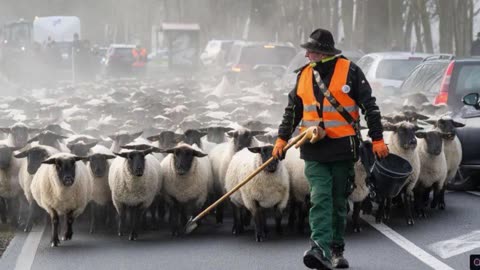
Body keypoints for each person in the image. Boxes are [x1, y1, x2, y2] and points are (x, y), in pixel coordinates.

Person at [272, 28, 389, 269]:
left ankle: (336, 250)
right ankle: (319, 248)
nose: (306, 56)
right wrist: (282, 138)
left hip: (343, 148)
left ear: (323, 52)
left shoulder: (351, 71)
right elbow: (292, 110)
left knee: (337, 200)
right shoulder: (303, 75)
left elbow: (370, 106)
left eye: (310, 51)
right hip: (313, 148)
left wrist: (377, 138)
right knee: (320, 196)